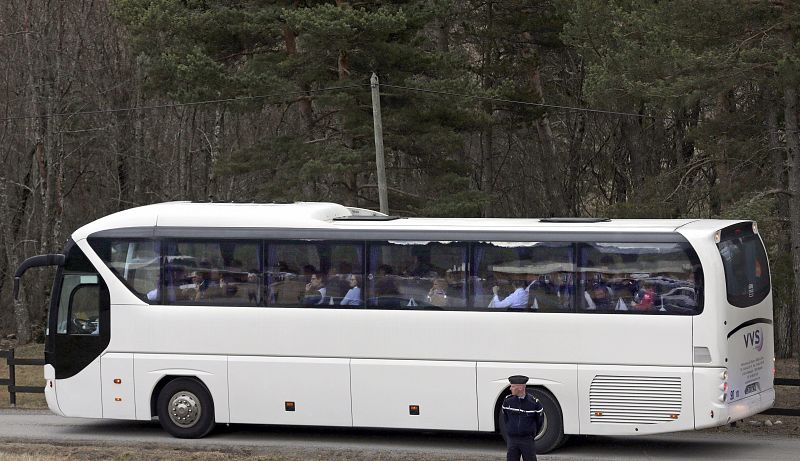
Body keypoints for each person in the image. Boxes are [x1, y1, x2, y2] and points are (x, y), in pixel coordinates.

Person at [502, 375, 544, 461]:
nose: (510, 389)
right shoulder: (507, 401)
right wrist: (511, 429)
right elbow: (505, 418)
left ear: (520, 388)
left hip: (527, 440)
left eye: (513, 386)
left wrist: (531, 432)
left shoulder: (534, 403)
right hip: (512, 440)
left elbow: (539, 421)